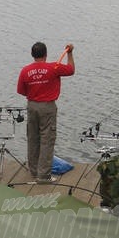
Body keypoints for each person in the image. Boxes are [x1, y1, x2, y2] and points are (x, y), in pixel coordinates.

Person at [17, 42, 75, 183]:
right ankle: (43, 176)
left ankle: (34, 171)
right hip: (47, 108)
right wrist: (70, 52)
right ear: (45, 54)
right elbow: (71, 69)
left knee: (33, 138)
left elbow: (21, 91)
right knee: (47, 140)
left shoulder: (25, 71)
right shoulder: (53, 67)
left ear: (32, 55)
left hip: (32, 106)